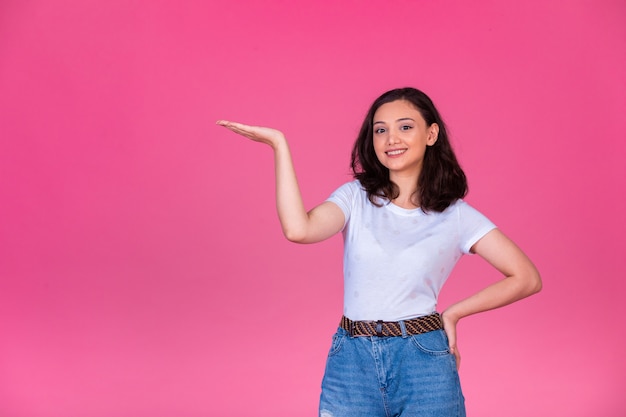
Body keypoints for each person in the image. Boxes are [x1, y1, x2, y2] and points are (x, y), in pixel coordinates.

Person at [216, 87, 541, 417]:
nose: (391, 139)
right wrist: (279, 145)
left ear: (431, 134)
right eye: (380, 130)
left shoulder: (455, 215)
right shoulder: (356, 197)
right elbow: (299, 230)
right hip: (351, 360)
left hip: (423, 357)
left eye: (405, 127)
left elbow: (526, 278)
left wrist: (453, 314)